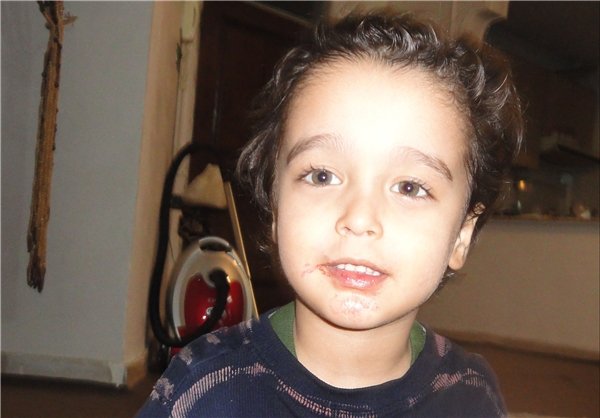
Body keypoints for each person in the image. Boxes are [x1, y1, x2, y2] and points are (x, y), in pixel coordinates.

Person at [137, 10, 523, 418]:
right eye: (322, 176)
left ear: (462, 235)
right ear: (275, 206)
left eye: (410, 187)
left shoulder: (471, 396)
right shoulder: (203, 388)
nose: (359, 218)